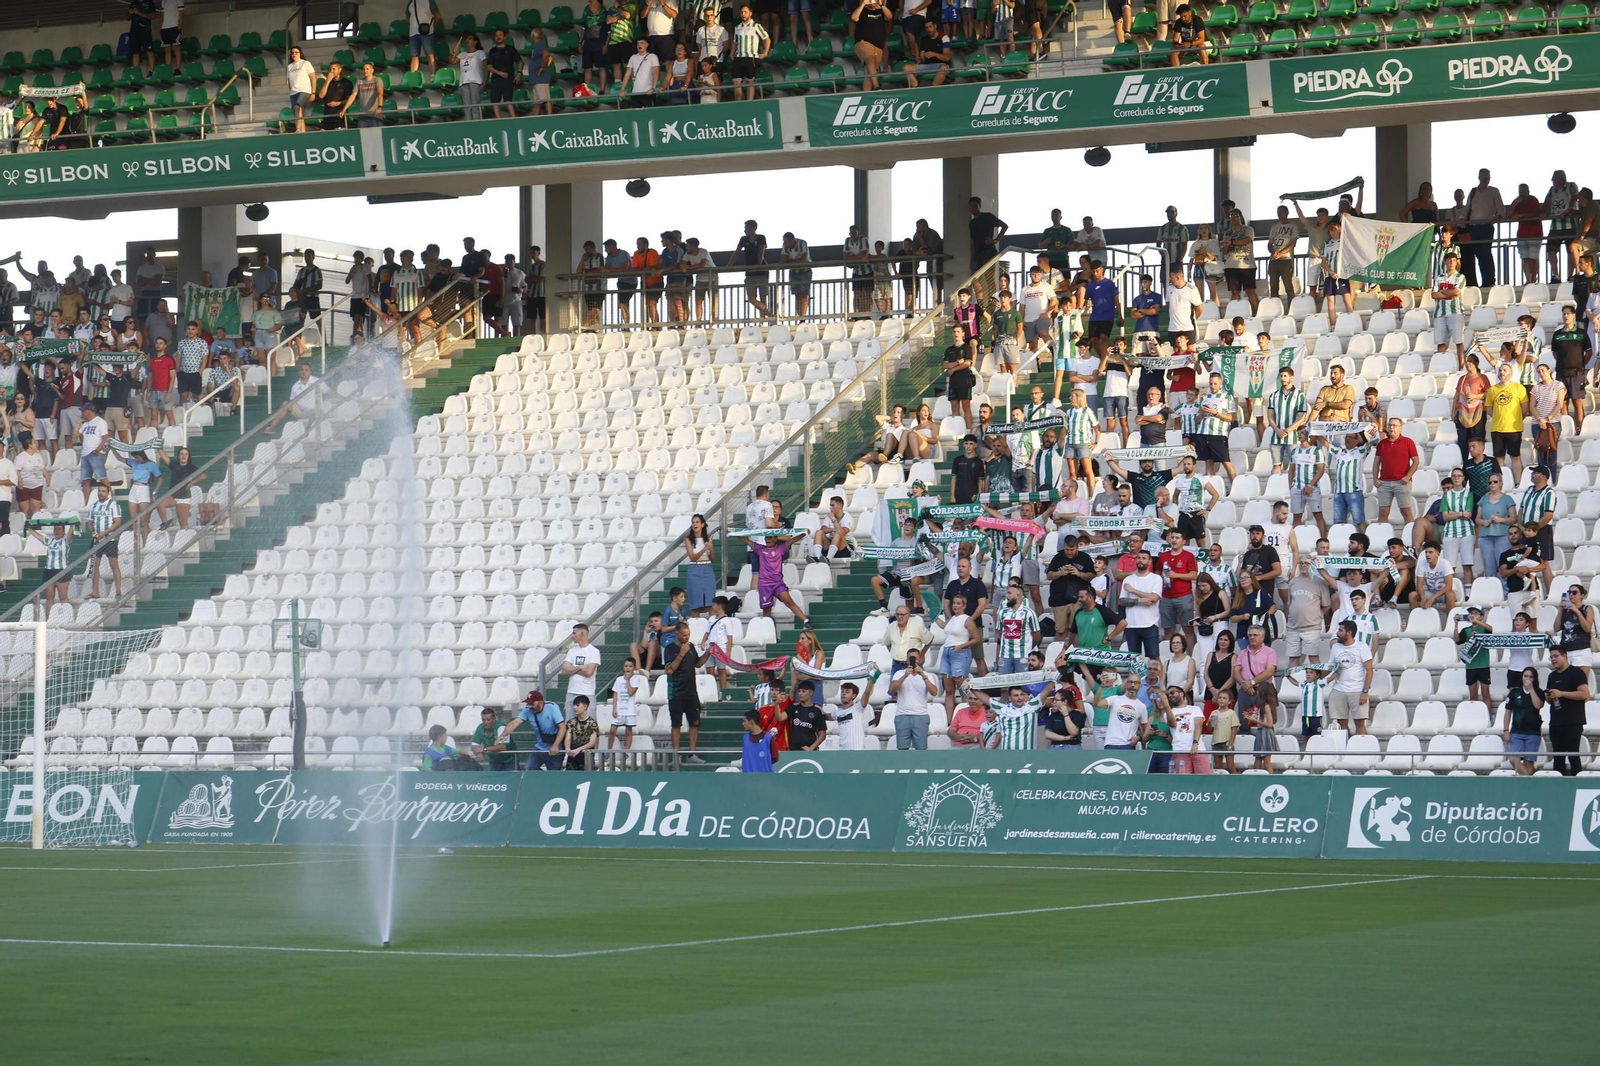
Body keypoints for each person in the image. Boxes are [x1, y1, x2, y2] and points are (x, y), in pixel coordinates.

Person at [664, 621, 706, 761]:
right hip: (676, 693)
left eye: (688, 635)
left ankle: (692, 754)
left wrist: (710, 652)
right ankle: (676, 754)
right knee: (676, 724)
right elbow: (669, 670)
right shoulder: (670, 648)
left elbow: (698, 663)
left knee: (694, 723)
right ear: (677, 634)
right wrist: (681, 654)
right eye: (684, 635)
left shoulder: (691, 647)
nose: (687, 638)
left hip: (691, 693)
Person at [1546, 646, 1590, 776]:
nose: (1553, 659)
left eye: (1556, 656)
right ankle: (1557, 786)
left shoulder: (1577, 673)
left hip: (1573, 721)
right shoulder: (1552, 676)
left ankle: (1577, 784)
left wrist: (1562, 693)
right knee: (1557, 756)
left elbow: (1585, 695)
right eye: (1551, 657)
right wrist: (1549, 697)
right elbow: (1549, 700)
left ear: (1564, 655)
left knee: (1573, 755)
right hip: (1556, 721)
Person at [499, 691, 566, 770]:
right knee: (529, 768)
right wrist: (503, 735)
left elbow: (562, 727)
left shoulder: (552, 707)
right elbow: (514, 723)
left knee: (553, 775)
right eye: (528, 703)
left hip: (555, 749)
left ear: (540, 702)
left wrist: (555, 746)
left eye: (532, 704)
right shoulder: (527, 709)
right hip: (540, 747)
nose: (530, 706)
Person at [1327, 619, 1372, 735]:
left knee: (1359, 723)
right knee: (1341, 723)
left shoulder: (1362, 647)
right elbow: (1329, 667)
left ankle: (1363, 750)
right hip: (1338, 689)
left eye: (1340, 630)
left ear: (1349, 633)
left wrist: (1365, 692)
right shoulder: (1336, 647)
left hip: (1357, 690)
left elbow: (1370, 671)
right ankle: (1346, 749)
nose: (1337, 633)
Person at [888, 647, 939, 749]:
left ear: (920, 659)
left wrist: (923, 676)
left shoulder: (928, 675)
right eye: (911, 658)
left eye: (915, 658)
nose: (913, 660)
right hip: (902, 715)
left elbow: (934, 692)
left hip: (920, 715)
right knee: (902, 749)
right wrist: (905, 676)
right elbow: (892, 689)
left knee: (921, 749)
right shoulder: (899, 673)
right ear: (907, 660)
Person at [1503, 667, 1545, 776]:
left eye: (1531, 677)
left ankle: (1526, 788)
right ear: (1521, 677)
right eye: (1525, 676)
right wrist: (1506, 730)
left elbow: (1538, 705)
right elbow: (1508, 711)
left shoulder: (1539, 692)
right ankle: (1530, 781)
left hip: (1533, 732)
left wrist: (1531, 689)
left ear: (1535, 679)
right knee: (1513, 760)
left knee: (1529, 763)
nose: (1528, 679)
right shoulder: (1514, 692)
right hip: (1517, 731)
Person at [607, 658, 646, 752]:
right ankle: (609, 751)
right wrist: (614, 708)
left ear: (634, 667)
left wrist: (628, 680)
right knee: (612, 730)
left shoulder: (636, 679)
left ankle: (626, 751)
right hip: (620, 710)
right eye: (626, 666)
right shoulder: (619, 680)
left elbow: (631, 692)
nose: (628, 668)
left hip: (629, 710)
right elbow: (615, 694)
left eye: (630, 666)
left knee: (628, 731)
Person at [553, 696, 599, 769]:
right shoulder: (571, 722)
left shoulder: (592, 723)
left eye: (577, 705)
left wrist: (578, 750)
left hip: (586, 758)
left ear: (585, 706)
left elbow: (592, 743)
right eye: (574, 705)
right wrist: (567, 748)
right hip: (572, 757)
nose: (574, 707)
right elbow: (568, 738)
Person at [831, 675, 874, 751]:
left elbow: (867, 692)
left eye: (847, 692)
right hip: (842, 751)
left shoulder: (858, 708)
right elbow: (823, 715)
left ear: (853, 696)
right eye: (842, 691)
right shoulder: (837, 712)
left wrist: (872, 678)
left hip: (857, 750)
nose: (843, 694)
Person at [285, 45, 316, 134]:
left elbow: (313, 77)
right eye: (292, 53)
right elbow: (289, 81)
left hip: (304, 90)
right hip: (294, 92)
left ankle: (297, 129)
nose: (294, 54)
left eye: (296, 52)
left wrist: (313, 92)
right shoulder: (289, 67)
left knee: (297, 106)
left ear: (300, 53)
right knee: (298, 111)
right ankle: (302, 132)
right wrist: (291, 90)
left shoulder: (305, 63)